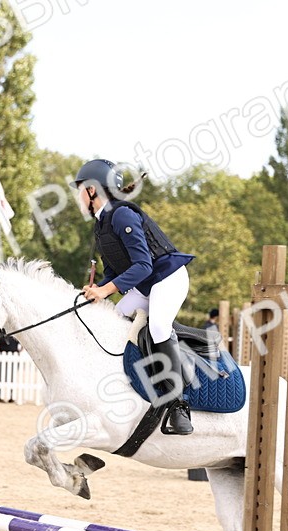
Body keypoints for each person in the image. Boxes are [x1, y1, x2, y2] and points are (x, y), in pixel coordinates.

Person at [75, 158, 195, 435]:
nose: (77, 196)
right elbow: (114, 271)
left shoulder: (122, 215)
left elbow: (143, 265)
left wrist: (106, 290)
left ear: (92, 190)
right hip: (147, 283)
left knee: (158, 326)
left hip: (168, 277)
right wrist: (95, 291)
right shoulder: (101, 224)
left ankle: (178, 404)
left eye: (80, 189)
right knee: (114, 318)